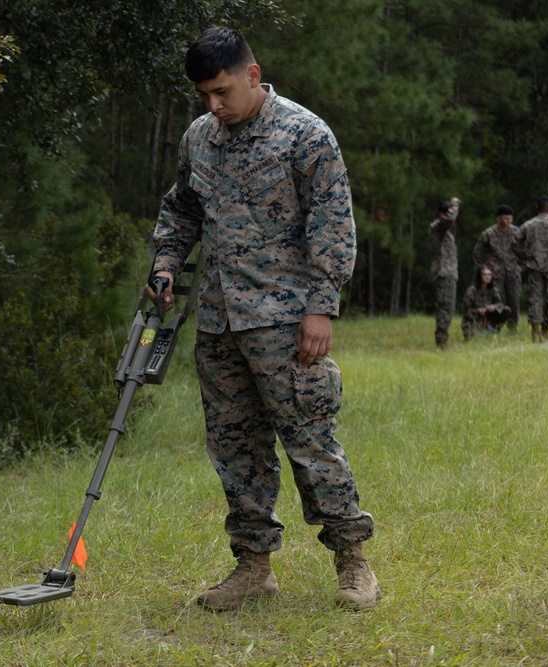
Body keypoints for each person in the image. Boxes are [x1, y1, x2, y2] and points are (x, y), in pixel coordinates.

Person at [148, 27, 378, 612]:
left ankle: (353, 562)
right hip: (220, 323)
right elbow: (181, 210)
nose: (212, 105)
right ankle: (253, 568)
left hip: (288, 321)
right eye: (204, 95)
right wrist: (167, 264)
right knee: (235, 447)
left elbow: (333, 223)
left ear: (252, 75)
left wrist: (322, 307)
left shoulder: (305, 135)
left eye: (221, 91)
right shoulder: (200, 137)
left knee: (310, 440)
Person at [512, 196, 548, 342]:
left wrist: (525, 255)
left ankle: (535, 333)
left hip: (534, 266)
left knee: (535, 299)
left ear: (537, 208)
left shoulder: (528, 225)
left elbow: (514, 243)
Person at [472, 205, 521, 332]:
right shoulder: (489, 234)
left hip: (513, 273)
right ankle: (491, 327)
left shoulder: (517, 232)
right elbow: (477, 252)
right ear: (499, 218)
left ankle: (513, 328)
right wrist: (484, 269)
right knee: (493, 302)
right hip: (494, 274)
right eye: (506, 218)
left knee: (514, 302)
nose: (508, 221)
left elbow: (526, 250)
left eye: (510, 218)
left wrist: (522, 265)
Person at [429, 198, 461, 349]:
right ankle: (441, 341)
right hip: (443, 273)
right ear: (443, 214)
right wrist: (455, 204)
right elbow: (450, 219)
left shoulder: (446, 231)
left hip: (449, 273)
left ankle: (442, 339)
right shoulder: (438, 226)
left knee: (449, 308)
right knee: (445, 308)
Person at [461, 265, 511, 340]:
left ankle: (495, 329)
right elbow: (465, 311)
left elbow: (500, 304)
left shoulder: (493, 290)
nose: (487, 277)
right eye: (484, 275)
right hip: (474, 319)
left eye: (489, 275)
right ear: (479, 276)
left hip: (489, 318)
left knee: (506, 310)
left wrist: (493, 307)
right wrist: (478, 311)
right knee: (474, 339)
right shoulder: (471, 291)